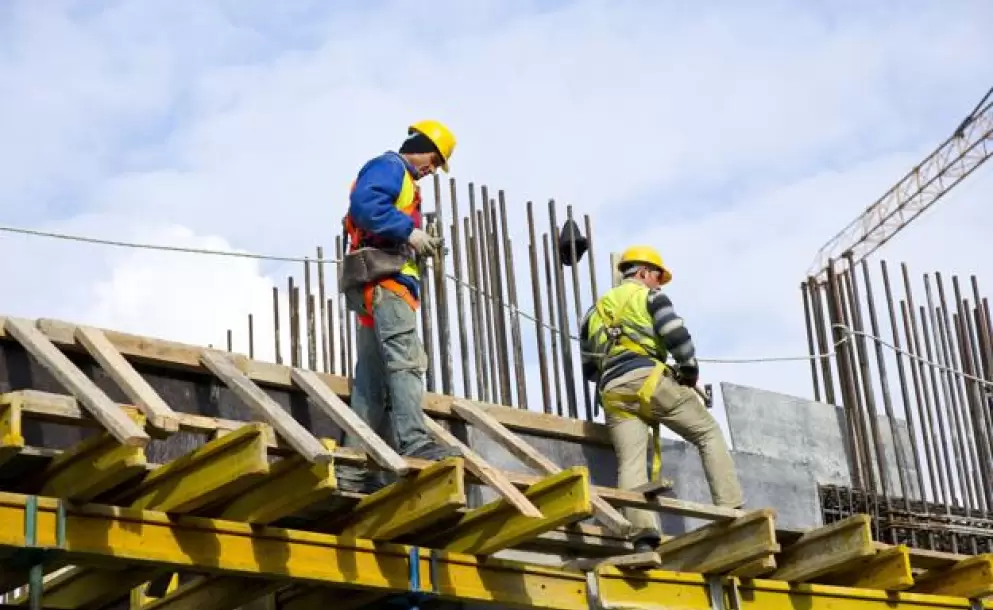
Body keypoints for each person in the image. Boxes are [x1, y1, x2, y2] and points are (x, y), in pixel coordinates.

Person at [579, 246, 744, 551]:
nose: (658, 284)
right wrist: (689, 371)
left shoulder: (593, 313)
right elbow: (676, 336)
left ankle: (643, 536)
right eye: (656, 277)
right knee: (708, 433)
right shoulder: (650, 297)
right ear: (641, 273)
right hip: (650, 380)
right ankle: (731, 511)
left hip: (613, 392)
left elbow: (589, 369)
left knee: (630, 463)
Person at [336, 120, 461, 494]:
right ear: (420, 146)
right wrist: (409, 232)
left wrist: (416, 241)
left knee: (371, 385)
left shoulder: (402, 180)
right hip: (387, 285)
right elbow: (365, 205)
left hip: (376, 286)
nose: (432, 170)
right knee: (406, 363)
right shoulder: (391, 167)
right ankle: (414, 441)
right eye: (434, 160)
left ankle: (353, 470)